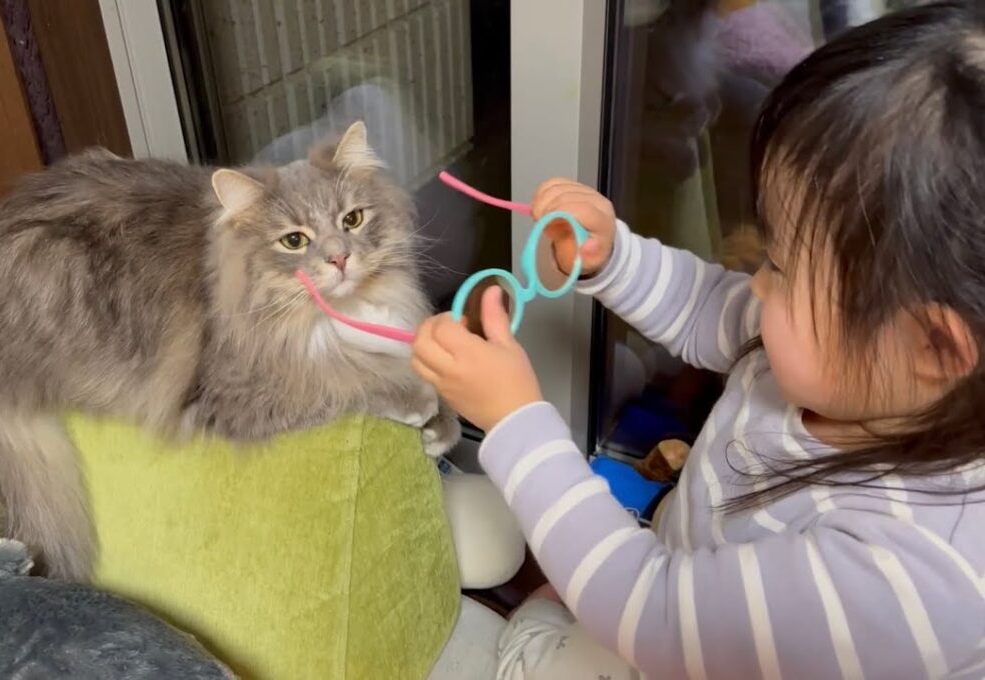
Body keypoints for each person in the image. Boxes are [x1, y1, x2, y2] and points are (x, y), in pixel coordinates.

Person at [412, 2, 985, 678]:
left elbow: (649, 613)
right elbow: (708, 305)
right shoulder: (853, 367)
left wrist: (513, 422)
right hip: (679, 588)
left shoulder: (904, 578)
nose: (757, 282)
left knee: (546, 635)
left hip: (668, 633)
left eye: (783, 266)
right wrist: (612, 257)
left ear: (934, 349)